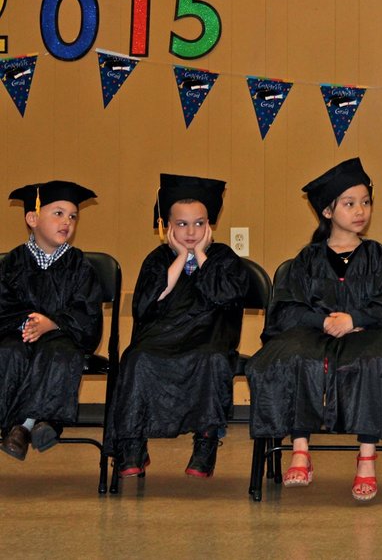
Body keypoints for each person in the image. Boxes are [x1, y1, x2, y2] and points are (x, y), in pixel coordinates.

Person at [246, 158, 382, 502]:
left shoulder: (379, 257)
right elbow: (287, 308)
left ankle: (367, 458)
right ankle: (299, 449)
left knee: (376, 361)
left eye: (365, 202)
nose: (360, 211)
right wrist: (323, 321)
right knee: (291, 358)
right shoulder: (307, 259)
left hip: (367, 333)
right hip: (312, 332)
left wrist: (353, 319)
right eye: (350, 203)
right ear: (327, 211)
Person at [105, 174, 249, 479]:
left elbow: (226, 296)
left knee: (211, 360)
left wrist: (200, 256)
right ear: (167, 226)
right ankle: (132, 447)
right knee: (136, 358)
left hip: (208, 337)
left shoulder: (222, 257)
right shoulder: (157, 259)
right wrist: (181, 257)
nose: (191, 232)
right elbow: (146, 304)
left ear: (210, 225)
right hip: (162, 338)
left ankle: (205, 445)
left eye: (199, 223)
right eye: (182, 224)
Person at [0, 181, 102, 461]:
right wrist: (28, 323)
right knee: (8, 352)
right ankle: (36, 422)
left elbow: (86, 312)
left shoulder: (80, 265)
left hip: (62, 337)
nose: (67, 222)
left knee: (59, 353)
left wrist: (52, 323)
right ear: (32, 219)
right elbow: (2, 304)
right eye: (58, 213)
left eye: (72, 216)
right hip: (16, 334)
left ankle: (24, 426)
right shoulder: (12, 263)